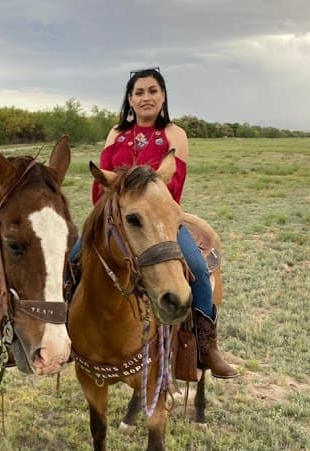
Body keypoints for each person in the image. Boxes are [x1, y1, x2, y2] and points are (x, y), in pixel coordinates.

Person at [90, 68, 237, 378]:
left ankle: (206, 347)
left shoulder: (175, 134)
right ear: (129, 99)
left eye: (152, 91)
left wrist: (147, 208)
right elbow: (101, 184)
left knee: (197, 268)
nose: (146, 97)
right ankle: (68, 334)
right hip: (117, 220)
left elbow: (174, 186)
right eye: (139, 92)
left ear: (163, 96)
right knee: (74, 258)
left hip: (161, 223)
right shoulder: (116, 133)